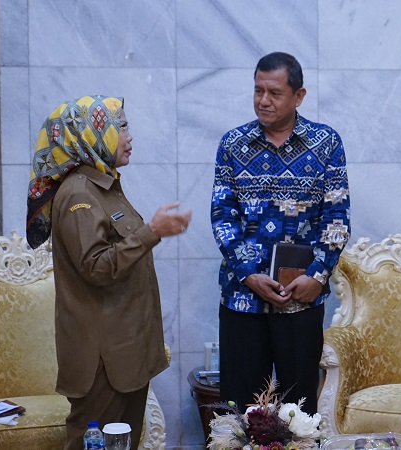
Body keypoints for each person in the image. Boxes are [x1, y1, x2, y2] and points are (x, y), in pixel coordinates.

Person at [26, 95, 192, 449]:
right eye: (121, 127)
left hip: (126, 352)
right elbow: (97, 267)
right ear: (90, 135)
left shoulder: (106, 185)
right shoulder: (78, 195)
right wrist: (153, 231)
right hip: (102, 362)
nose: (129, 136)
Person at [211, 52, 350, 414]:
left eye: (274, 92)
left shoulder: (326, 144)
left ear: (298, 96)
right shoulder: (233, 144)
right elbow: (222, 217)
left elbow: (337, 219)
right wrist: (249, 275)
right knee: (241, 413)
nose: (263, 101)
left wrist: (316, 277)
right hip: (243, 298)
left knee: (298, 414)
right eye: (258, 91)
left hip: (300, 299)